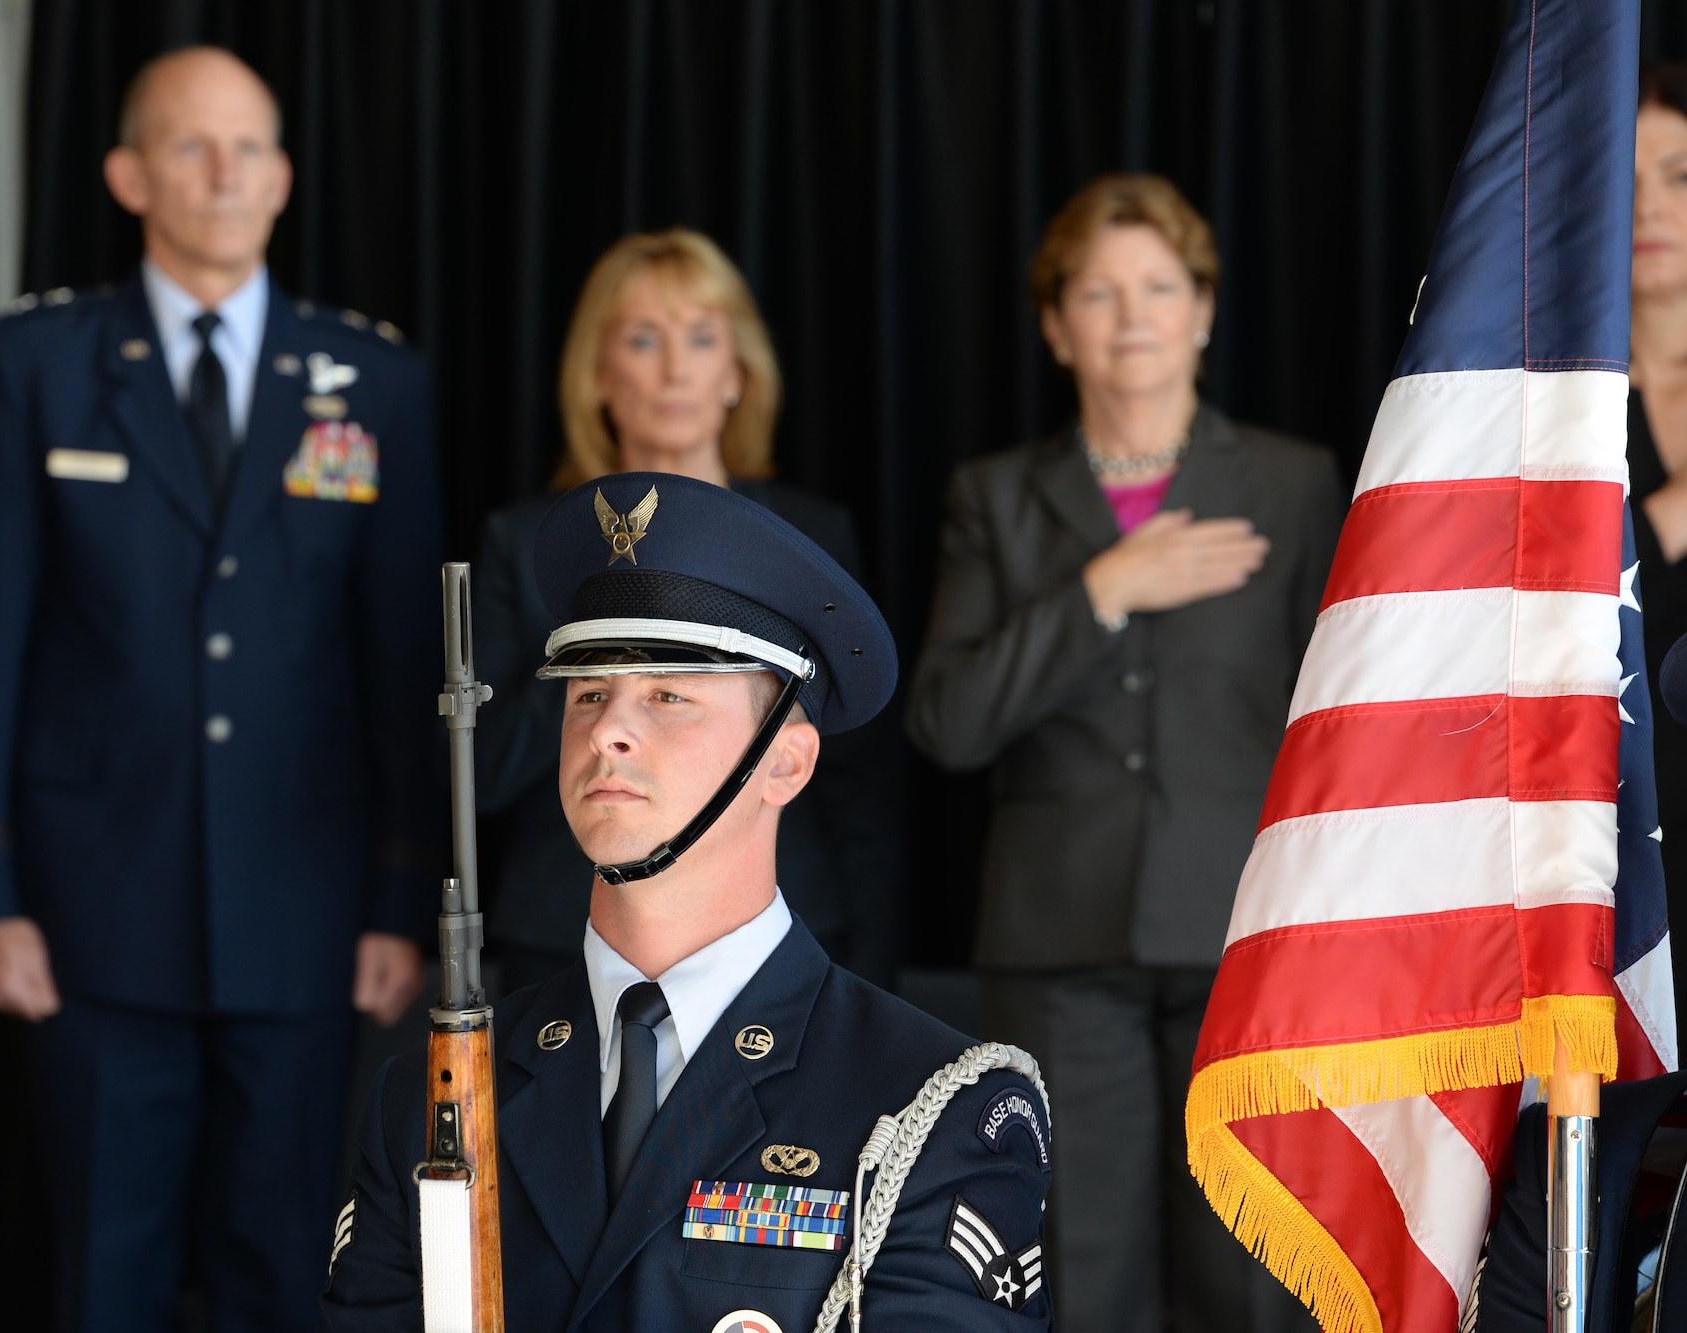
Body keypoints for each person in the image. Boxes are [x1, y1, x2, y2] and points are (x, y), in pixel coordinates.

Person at [0, 47, 441, 1333]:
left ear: (282, 178)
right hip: (91, 911)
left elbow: (395, 666)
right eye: (189, 146)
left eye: (250, 148)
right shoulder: (35, 366)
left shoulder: (370, 382)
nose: (224, 174)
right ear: (125, 174)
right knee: (107, 1268)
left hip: (304, 910)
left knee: (284, 1264)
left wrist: (395, 896)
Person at [323, 473, 1053, 1330]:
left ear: (786, 762)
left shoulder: (929, 1106)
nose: (607, 729)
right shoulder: (429, 1097)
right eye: (589, 692)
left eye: (669, 694)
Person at [904, 173, 1343, 1333]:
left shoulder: (1295, 486)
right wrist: (1101, 590)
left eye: (1158, 286)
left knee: (1244, 1276)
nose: (1132, 314)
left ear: (1203, 309)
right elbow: (945, 720)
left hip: (1245, 938)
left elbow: (1345, 724)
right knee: (1077, 1271)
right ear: (1055, 327)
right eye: (1097, 293)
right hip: (1059, 947)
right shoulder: (994, 499)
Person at [474, 228, 900, 992]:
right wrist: (603, 637)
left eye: (701, 337)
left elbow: (855, 776)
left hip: (780, 914)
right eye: (644, 338)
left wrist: (871, 960)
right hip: (563, 923)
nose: (675, 367)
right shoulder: (522, 541)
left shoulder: (812, 536)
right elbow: (484, 766)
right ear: (599, 372)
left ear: (737, 369)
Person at [1626, 62, 1687, 1036]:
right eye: (1620, 176)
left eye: (1679, 175)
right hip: (1609, 868)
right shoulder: (1534, 404)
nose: (1644, 205)